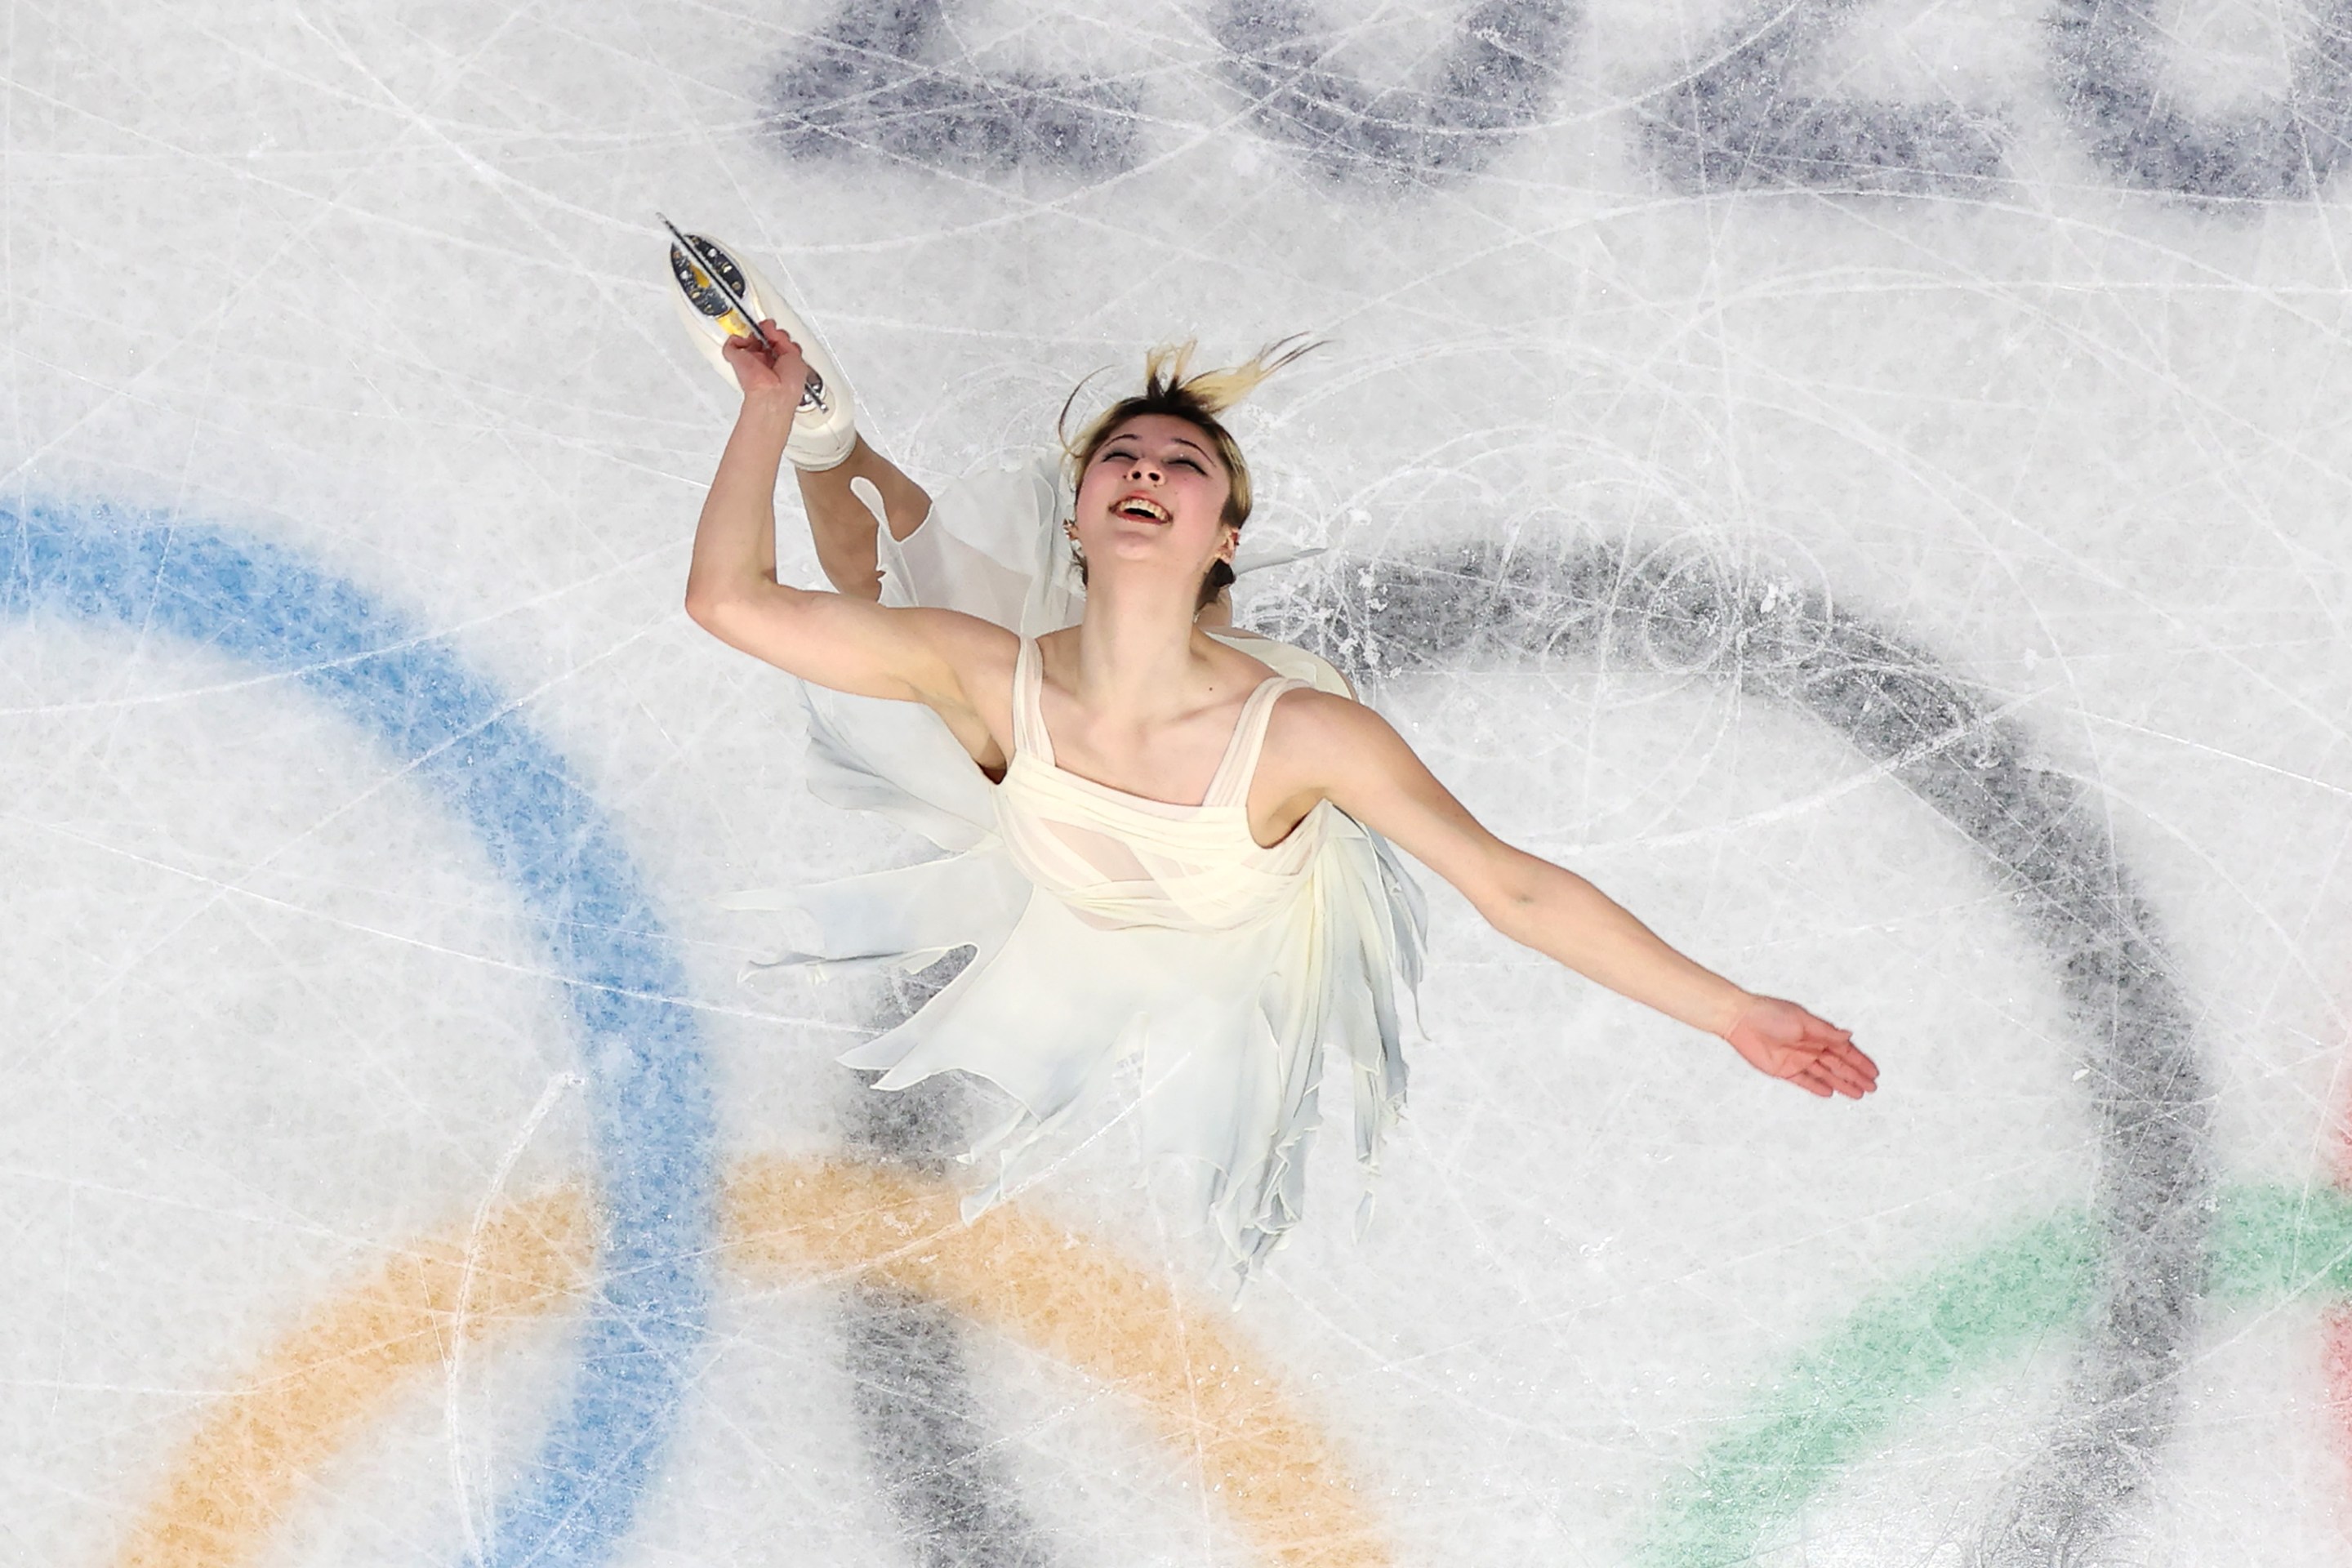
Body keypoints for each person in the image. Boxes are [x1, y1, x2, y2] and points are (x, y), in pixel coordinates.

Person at [684, 308, 1878, 1282]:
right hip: (1040, 822)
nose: (1146, 468)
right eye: (1122, 462)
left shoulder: (1306, 737)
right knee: (909, 618)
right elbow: (728, 602)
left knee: (923, 629)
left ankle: (836, 455)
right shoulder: (990, 673)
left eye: (1182, 466)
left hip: (1249, 924)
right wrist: (763, 410)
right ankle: (830, 447)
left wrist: (1729, 1010)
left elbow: (1511, 886)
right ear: (1086, 517)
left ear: (1224, 537)